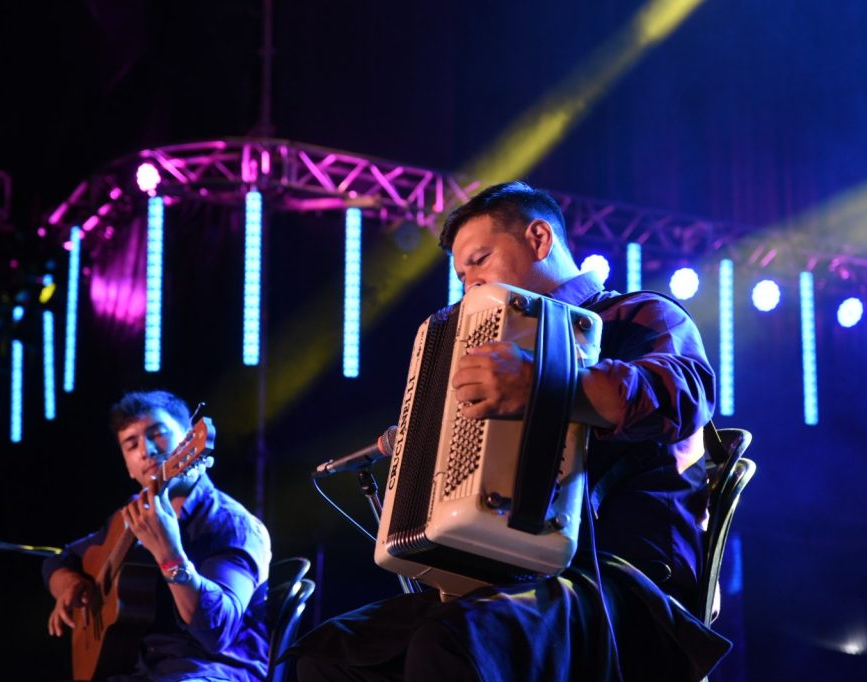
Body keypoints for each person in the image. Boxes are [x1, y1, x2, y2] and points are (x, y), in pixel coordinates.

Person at [293, 181, 731, 681]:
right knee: (328, 656)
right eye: (462, 276)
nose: (470, 285)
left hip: (624, 584)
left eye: (480, 261)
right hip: (515, 580)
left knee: (454, 641)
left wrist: (546, 383)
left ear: (539, 239)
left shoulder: (637, 315)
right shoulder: (495, 347)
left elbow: (686, 397)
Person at [43, 390, 272, 681]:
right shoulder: (130, 516)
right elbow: (63, 558)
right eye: (131, 444)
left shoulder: (231, 524)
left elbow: (216, 633)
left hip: (216, 670)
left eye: (158, 433)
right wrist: (69, 584)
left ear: (188, 440)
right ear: (128, 467)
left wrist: (169, 554)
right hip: (145, 669)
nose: (146, 450)